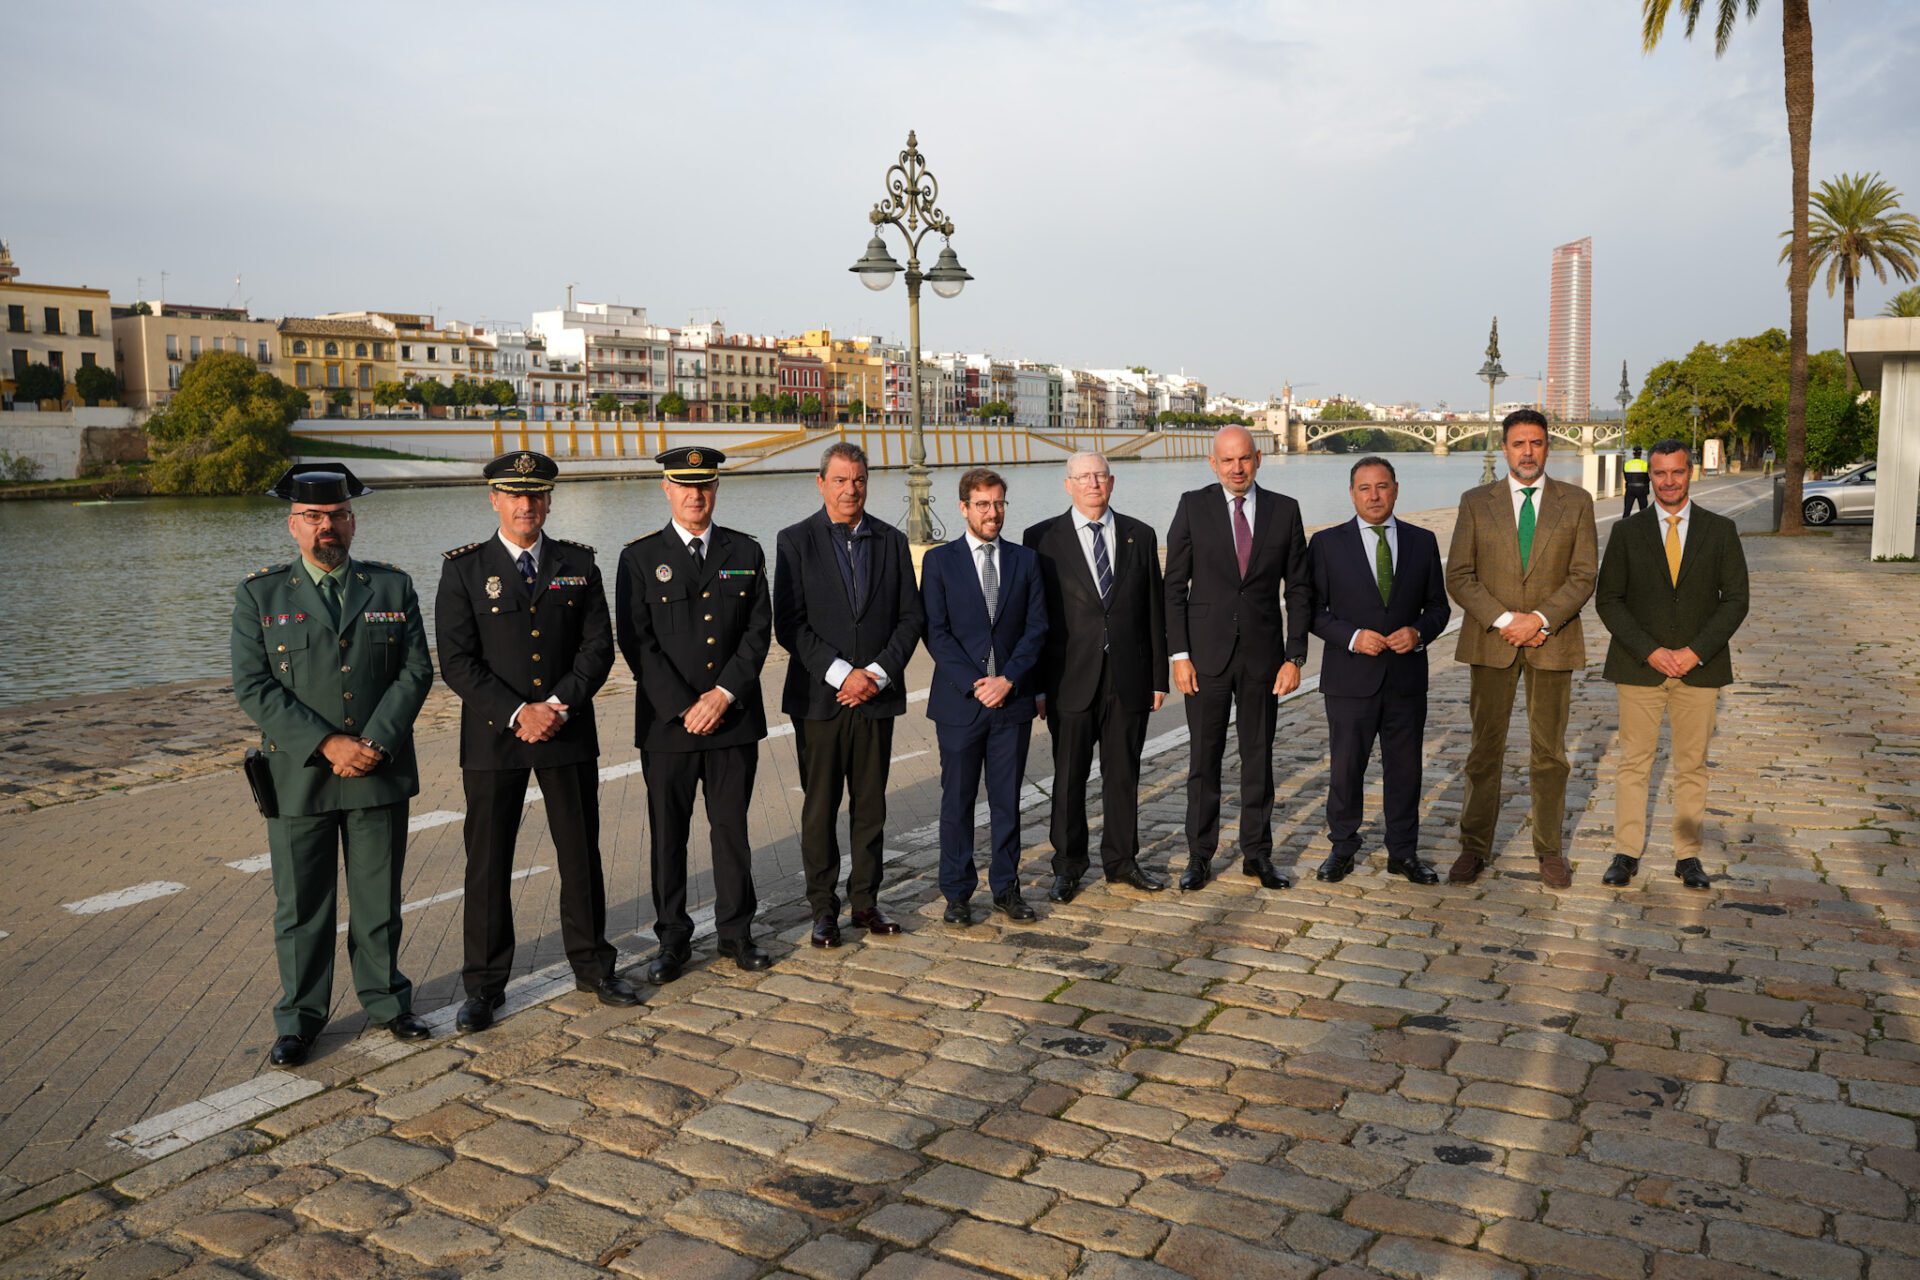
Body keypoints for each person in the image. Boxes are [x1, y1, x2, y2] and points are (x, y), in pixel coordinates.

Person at [230, 464, 433, 1067]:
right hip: (300, 777)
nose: (328, 527)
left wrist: (372, 741)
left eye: (339, 516)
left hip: (379, 767)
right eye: (315, 517)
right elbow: (253, 685)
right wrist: (327, 745)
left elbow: (415, 671)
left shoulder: (391, 586)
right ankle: (300, 1019)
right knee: (301, 909)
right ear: (293, 525)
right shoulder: (260, 593)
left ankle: (389, 1003)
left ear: (353, 520)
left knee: (379, 902)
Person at [435, 451, 638, 1034]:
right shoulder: (465, 569)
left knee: (579, 855)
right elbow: (455, 660)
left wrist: (556, 706)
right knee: (488, 863)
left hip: (565, 728)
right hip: (495, 738)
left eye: (537, 494)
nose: (526, 505)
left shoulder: (579, 562)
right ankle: (483, 986)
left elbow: (598, 647)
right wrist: (517, 711)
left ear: (549, 500)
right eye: (514, 495)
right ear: (494, 500)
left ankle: (594, 966)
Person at [615, 446, 774, 980]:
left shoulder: (746, 551)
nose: (695, 495)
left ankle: (736, 933)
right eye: (684, 486)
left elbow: (758, 632)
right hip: (669, 725)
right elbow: (636, 642)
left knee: (731, 831)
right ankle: (672, 940)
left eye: (704, 485)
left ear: (716, 489)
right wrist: (686, 706)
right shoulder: (638, 558)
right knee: (669, 835)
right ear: (666, 489)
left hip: (731, 720)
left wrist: (722, 695)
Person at [773, 442, 926, 948]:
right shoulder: (794, 541)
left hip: (876, 697)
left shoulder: (891, 539)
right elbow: (789, 625)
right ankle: (822, 909)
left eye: (858, 479)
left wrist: (877, 673)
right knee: (820, 808)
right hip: (821, 700)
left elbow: (911, 617)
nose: (849, 489)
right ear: (821, 483)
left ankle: (865, 901)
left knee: (871, 806)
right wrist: (843, 675)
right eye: (839, 480)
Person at [1445, 409, 1599, 888]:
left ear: (1548, 446)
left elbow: (1584, 575)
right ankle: (1474, 847)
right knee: (1483, 752)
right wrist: (1508, 620)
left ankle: (1549, 850)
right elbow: (1460, 576)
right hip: (1493, 642)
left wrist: (1541, 620)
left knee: (1549, 754)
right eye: (1518, 444)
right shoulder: (1475, 501)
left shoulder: (1575, 502)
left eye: (1536, 443)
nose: (1527, 452)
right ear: (1505, 447)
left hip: (1553, 641)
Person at [1594, 439, 1750, 890]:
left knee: (1692, 765)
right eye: (1659, 473)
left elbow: (1736, 600)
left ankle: (1688, 857)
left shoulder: (1721, 531)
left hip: (1700, 668)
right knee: (1634, 763)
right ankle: (1626, 852)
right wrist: (1650, 650)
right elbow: (1609, 600)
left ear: (1690, 472)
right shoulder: (1627, 532)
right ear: (1650, 476)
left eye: (1676, 472)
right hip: (1640, 667)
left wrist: (1694, 652)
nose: (1667, 481)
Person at [1164, 425, 1311, 892]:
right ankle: (1200, 856)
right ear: (1213, 463)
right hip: (1204, 658)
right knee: (1203, 761)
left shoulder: (1286, 511)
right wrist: (1179, 655)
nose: (1237, 468)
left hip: (1264, 659)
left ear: (1258, 459)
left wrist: (1295, 656)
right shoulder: (1193, 505)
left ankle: (1257, 854)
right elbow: (1173, 588)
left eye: (1244, 458)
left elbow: (1300, 589)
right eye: (1227, 460)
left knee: (1258, 758)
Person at [1021, 451, 1168, 902]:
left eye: (1100, 476)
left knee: (1123, 776)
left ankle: (1122, 862)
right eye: (1083, 477)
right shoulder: (1041, 537)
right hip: (1068, 680)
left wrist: (1159, 678)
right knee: (1068, 777)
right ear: (1068, 485)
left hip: (1128, 678)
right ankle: (1068, 865)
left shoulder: (1138, 535)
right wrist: (1037, 686)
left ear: (1113, 481)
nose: (1092, 484)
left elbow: (1154, 610)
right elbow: (1033, 618)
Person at [1307, 457, 1451, 885]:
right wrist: (1352, 637)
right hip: (1350, 677)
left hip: (1406, 678)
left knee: (1405, 770)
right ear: (1352, 493)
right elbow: (1312, 611)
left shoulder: (1422, 542)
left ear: (1396, 490)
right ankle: (1342, 848)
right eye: (1365, 488)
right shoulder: (1327, 544)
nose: (1374, 495)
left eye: (1382, 486)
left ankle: (1403, 853)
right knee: (1346, 768)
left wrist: (1418, 632)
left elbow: (1439, 608)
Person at [921, 468, 1048, 925]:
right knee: (956, 801)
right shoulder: (940, 562)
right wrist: (979, 683)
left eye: (998, 504)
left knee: (1006, 802)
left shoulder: (1025, 561)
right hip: (960, 703)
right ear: (963, 508)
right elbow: (936, 634)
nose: (992, 513)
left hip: (1011, 703)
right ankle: (956, 893)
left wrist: (1009, 679)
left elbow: (1037, 629)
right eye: (982, 505)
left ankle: (1006, 888)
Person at [1622, 445, 1650, 519]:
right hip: (1642, 488)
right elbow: (1648, 478)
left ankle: (1623, 527)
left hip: (1630, 488)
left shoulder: (1627, 464)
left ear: (1633, 453)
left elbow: (1625, 477)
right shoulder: (1645, 464)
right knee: (1643, 510)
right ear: (1640, 453)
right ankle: (1643, 527)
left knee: (1627, 510)